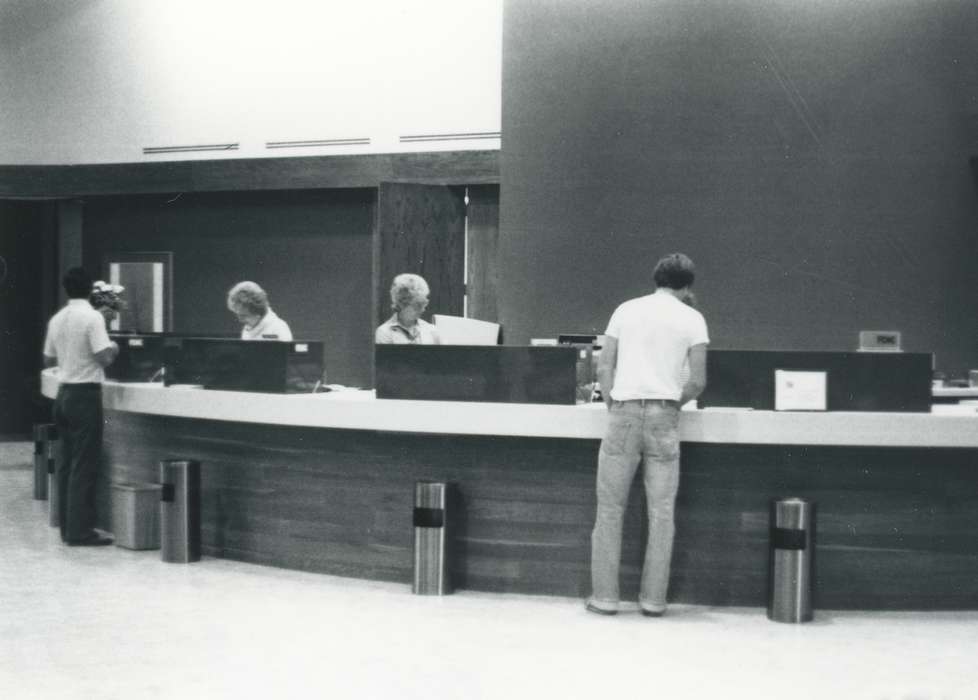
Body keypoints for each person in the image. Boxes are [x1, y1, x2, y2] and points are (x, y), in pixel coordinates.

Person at [587, 253, 709, 617]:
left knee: (609, 509)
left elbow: (604, 365)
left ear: (656, 279)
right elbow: (699, 382)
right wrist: (672, 403)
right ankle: (654, 600)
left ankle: (605, 598)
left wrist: (614, 403)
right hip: (664, 417)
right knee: (661, 512)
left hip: (623, 413)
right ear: (687, 286)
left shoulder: (626, 310)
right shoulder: (693, 318)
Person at [43, 267, 119, 546]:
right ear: (90, 290)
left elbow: (48, 359)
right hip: (85, 395)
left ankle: (66, 527)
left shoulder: (57, 319)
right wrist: (114, 346)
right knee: (84, 464)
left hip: (63, 394)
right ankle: (80, 531)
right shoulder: (92, 317)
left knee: (65, 463)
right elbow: (104, 357)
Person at [374, 273, 441, 344]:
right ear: (401, 304)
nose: (423, 309)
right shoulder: (384, 333)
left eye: (424, 304)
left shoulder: (432, 331)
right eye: (418, 305)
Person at [227, 281, 293, 340]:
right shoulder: (247, 330)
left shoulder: (279, 329)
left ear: (258, 313)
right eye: (237, 314)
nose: (240, 320)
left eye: (243, 315)